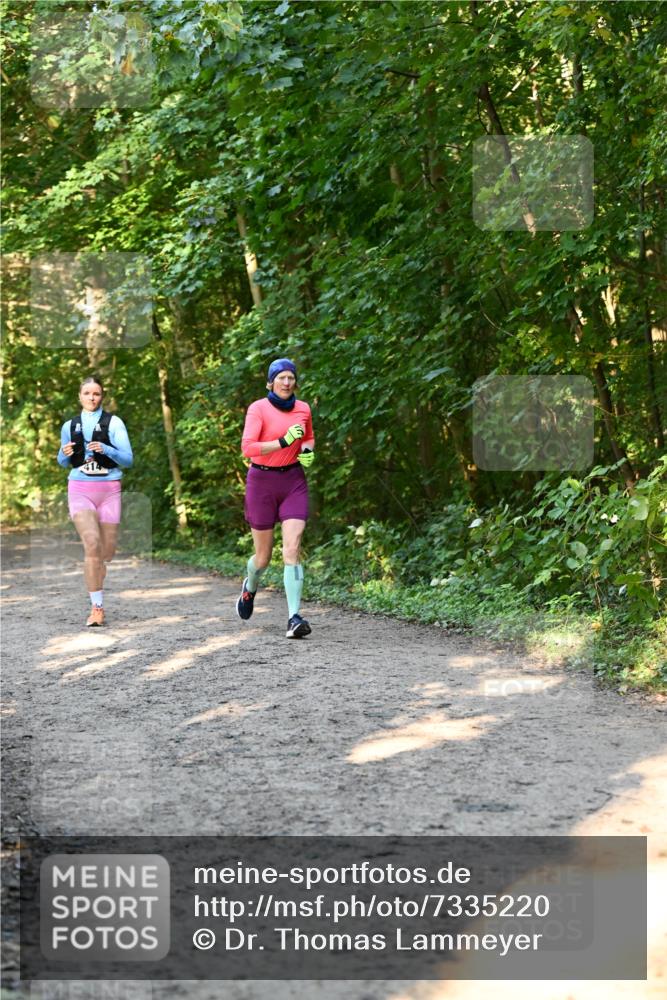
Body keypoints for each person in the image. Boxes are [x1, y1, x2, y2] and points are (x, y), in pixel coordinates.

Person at [237, 358, 315, 638]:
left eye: (290, 378)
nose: (286, 382)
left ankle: (294, 617)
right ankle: (250, 587)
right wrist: (282, 442)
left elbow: (308, 437)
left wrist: (306, 452)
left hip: (293, 480)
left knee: (292, 549)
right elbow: (248, 448)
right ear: (271, 382)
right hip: (262, 482)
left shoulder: (303, 408)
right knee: (263, 557)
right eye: (280, 378)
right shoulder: (258, 408)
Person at [57, 376, 133, 627]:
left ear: (102, 396)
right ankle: (97, 607)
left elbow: (128, 459)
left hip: (109, 490)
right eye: (87, 393)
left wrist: (106, 449)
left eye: (96, 393)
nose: (92, 398)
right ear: (79, 396)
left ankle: (97, 577)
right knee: (91, 544)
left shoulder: (114, 423)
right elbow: (63, 461)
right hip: (80, 488)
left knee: (106, 552)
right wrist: (63, 454)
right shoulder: (70, 425)